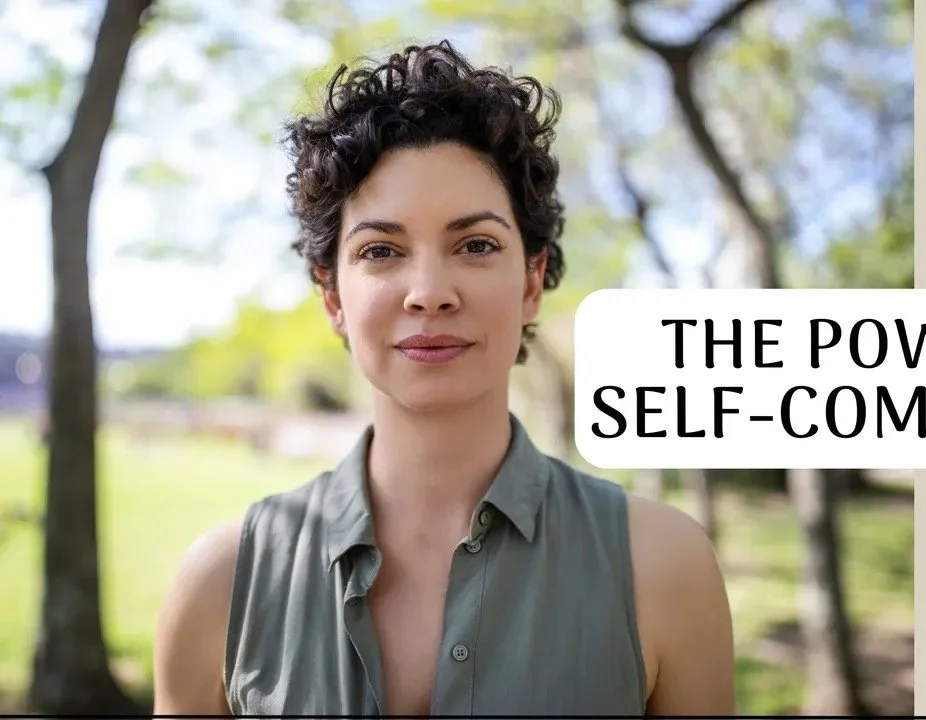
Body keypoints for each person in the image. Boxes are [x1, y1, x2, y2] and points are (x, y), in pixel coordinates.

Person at [151, 40, 735, 716]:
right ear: (333, 296)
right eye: (381, 251)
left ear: (531, 281)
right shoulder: (220, 586)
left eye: (476, 245)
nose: (429, 292)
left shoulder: (662, 567)